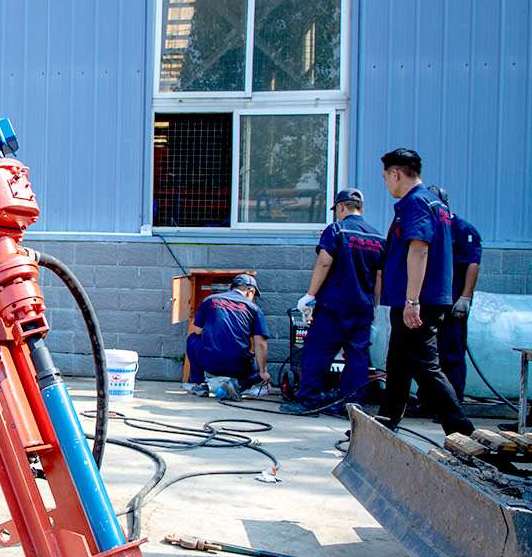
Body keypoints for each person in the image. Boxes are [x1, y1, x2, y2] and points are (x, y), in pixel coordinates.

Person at [376, 149, 474, 436]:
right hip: (424, 296)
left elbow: (419, 250)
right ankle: (386, 422)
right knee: (398, 362)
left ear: (395, 173)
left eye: (385, 177)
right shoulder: (435, 204)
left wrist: (412, 300)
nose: (386, 184)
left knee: (425, 366)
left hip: (419, 299)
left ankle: (462, 431)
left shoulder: (416, 202)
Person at [283, 188, 384, 415]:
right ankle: (352, 406)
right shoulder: (377, 237)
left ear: (340, 207)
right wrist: (374, 306)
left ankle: (308, 402)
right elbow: (379, 276)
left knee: (317, 352)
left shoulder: (336, 230)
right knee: (357, 356)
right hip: (363, 308)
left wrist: (310, 295)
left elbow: (324, 262)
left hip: (334, 306)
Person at [419, 185, 482, 403]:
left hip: (452, 303)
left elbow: (473, 264)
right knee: (427, 354)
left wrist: (465, 298)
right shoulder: (430, 228)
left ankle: (452, 404)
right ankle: (428, 402)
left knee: (451, 353)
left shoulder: (464, 230)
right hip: (430, 302)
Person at [185, 273, 270, 400]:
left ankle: (200, 384)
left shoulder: (209, 300)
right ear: (250, 291)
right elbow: (260, 343)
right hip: (237, 366)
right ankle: (238, 385)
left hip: (209, 362)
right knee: (262, 369)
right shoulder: (254, 308)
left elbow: (198, 331)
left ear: (231, 288)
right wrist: (263, 372)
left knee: (192, 338)